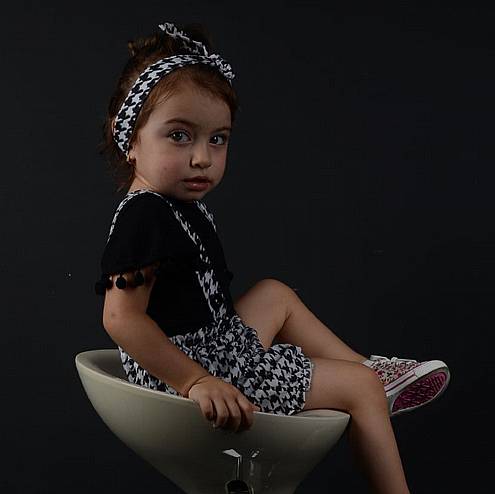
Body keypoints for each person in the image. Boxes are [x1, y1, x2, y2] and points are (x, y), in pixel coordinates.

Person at [94, 21, 450, 493]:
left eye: (217, 139)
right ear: (129, 137)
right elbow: (121, 319)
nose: (202, 157)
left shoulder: (173, 206)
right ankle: (371, 392)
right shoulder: (145, 216)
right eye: (179, 136)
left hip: (210, 345)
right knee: (359, 392)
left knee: (274, 294)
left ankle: (371, 369)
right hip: (189, 369)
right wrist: (196, 381)